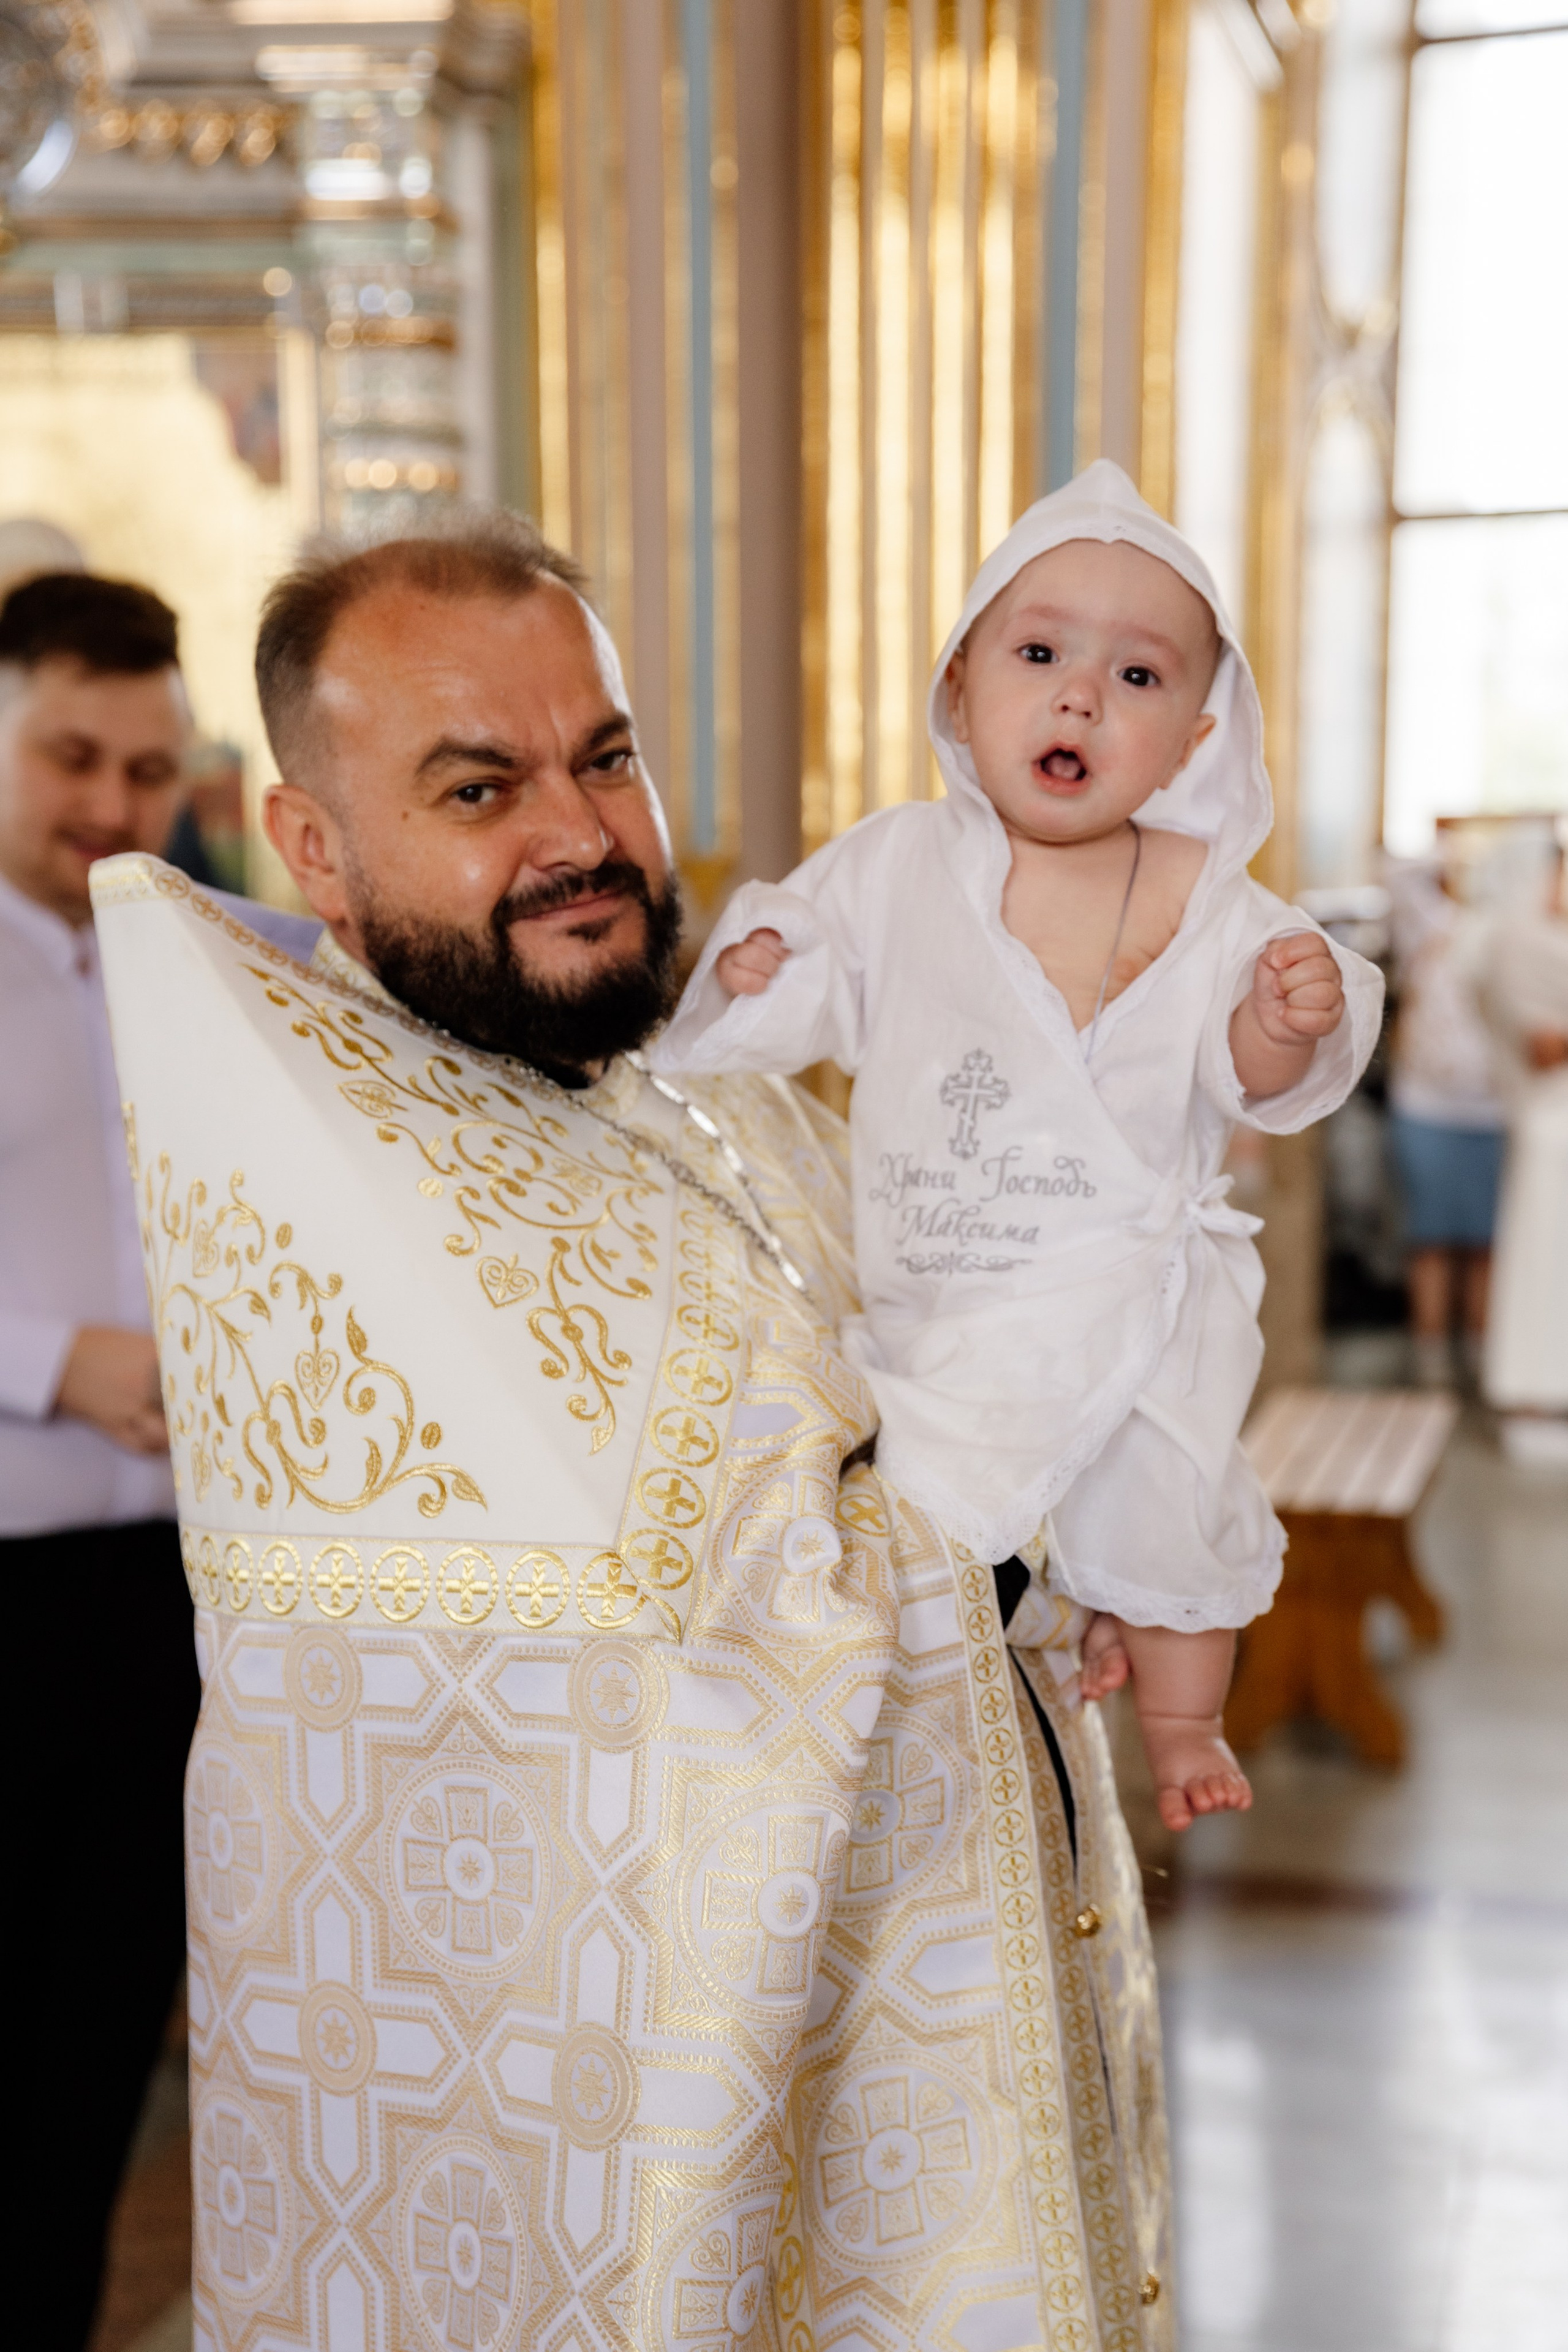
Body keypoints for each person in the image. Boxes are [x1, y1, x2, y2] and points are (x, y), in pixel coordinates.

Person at [90, 510, 1179, 2351]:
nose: (581, 833)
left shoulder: (712, 1086)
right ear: (312, 843)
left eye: (604, 754)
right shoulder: (346, 1197)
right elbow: (718, 1638)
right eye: (477, 783)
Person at [654, 462, 1384, 1834]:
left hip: (1134, 1298)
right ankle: (1041, 1615)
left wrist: (1286, 1020)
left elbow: (1255, 1078)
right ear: (958, 692)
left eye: (1136, 677)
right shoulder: (895, 866)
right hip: (951, 1300)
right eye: (1038, 654)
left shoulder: (1219, 906)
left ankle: (1178, 1723)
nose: (1078, 697)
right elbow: (817, 967)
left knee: (1168, 1501)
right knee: (934, 1499)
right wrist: (768, 965)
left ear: (1193, 740)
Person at [0, 570, 202, 2350]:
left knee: (87, 2082)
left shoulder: (199, 958)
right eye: (72, 753)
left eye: (151, 770)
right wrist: (53, 1359)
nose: (112, 807)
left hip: (164, 1611)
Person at [1384, 848, 1508, 1388]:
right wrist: (1459, 848)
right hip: (1427, 1106)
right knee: (1432, 1234)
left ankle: (1480, 1351)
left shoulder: (1512, 932)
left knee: (1485, 1240)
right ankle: (1431, 1354)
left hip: (1495, 1110)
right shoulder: (1431, 923)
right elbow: (1393, 873)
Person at [1479, 833, 1568, 1457]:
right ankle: (1531, 1386)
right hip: (1550, 1124)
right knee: (1543, 1260)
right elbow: (1542, 1048)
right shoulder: (1518, 939)